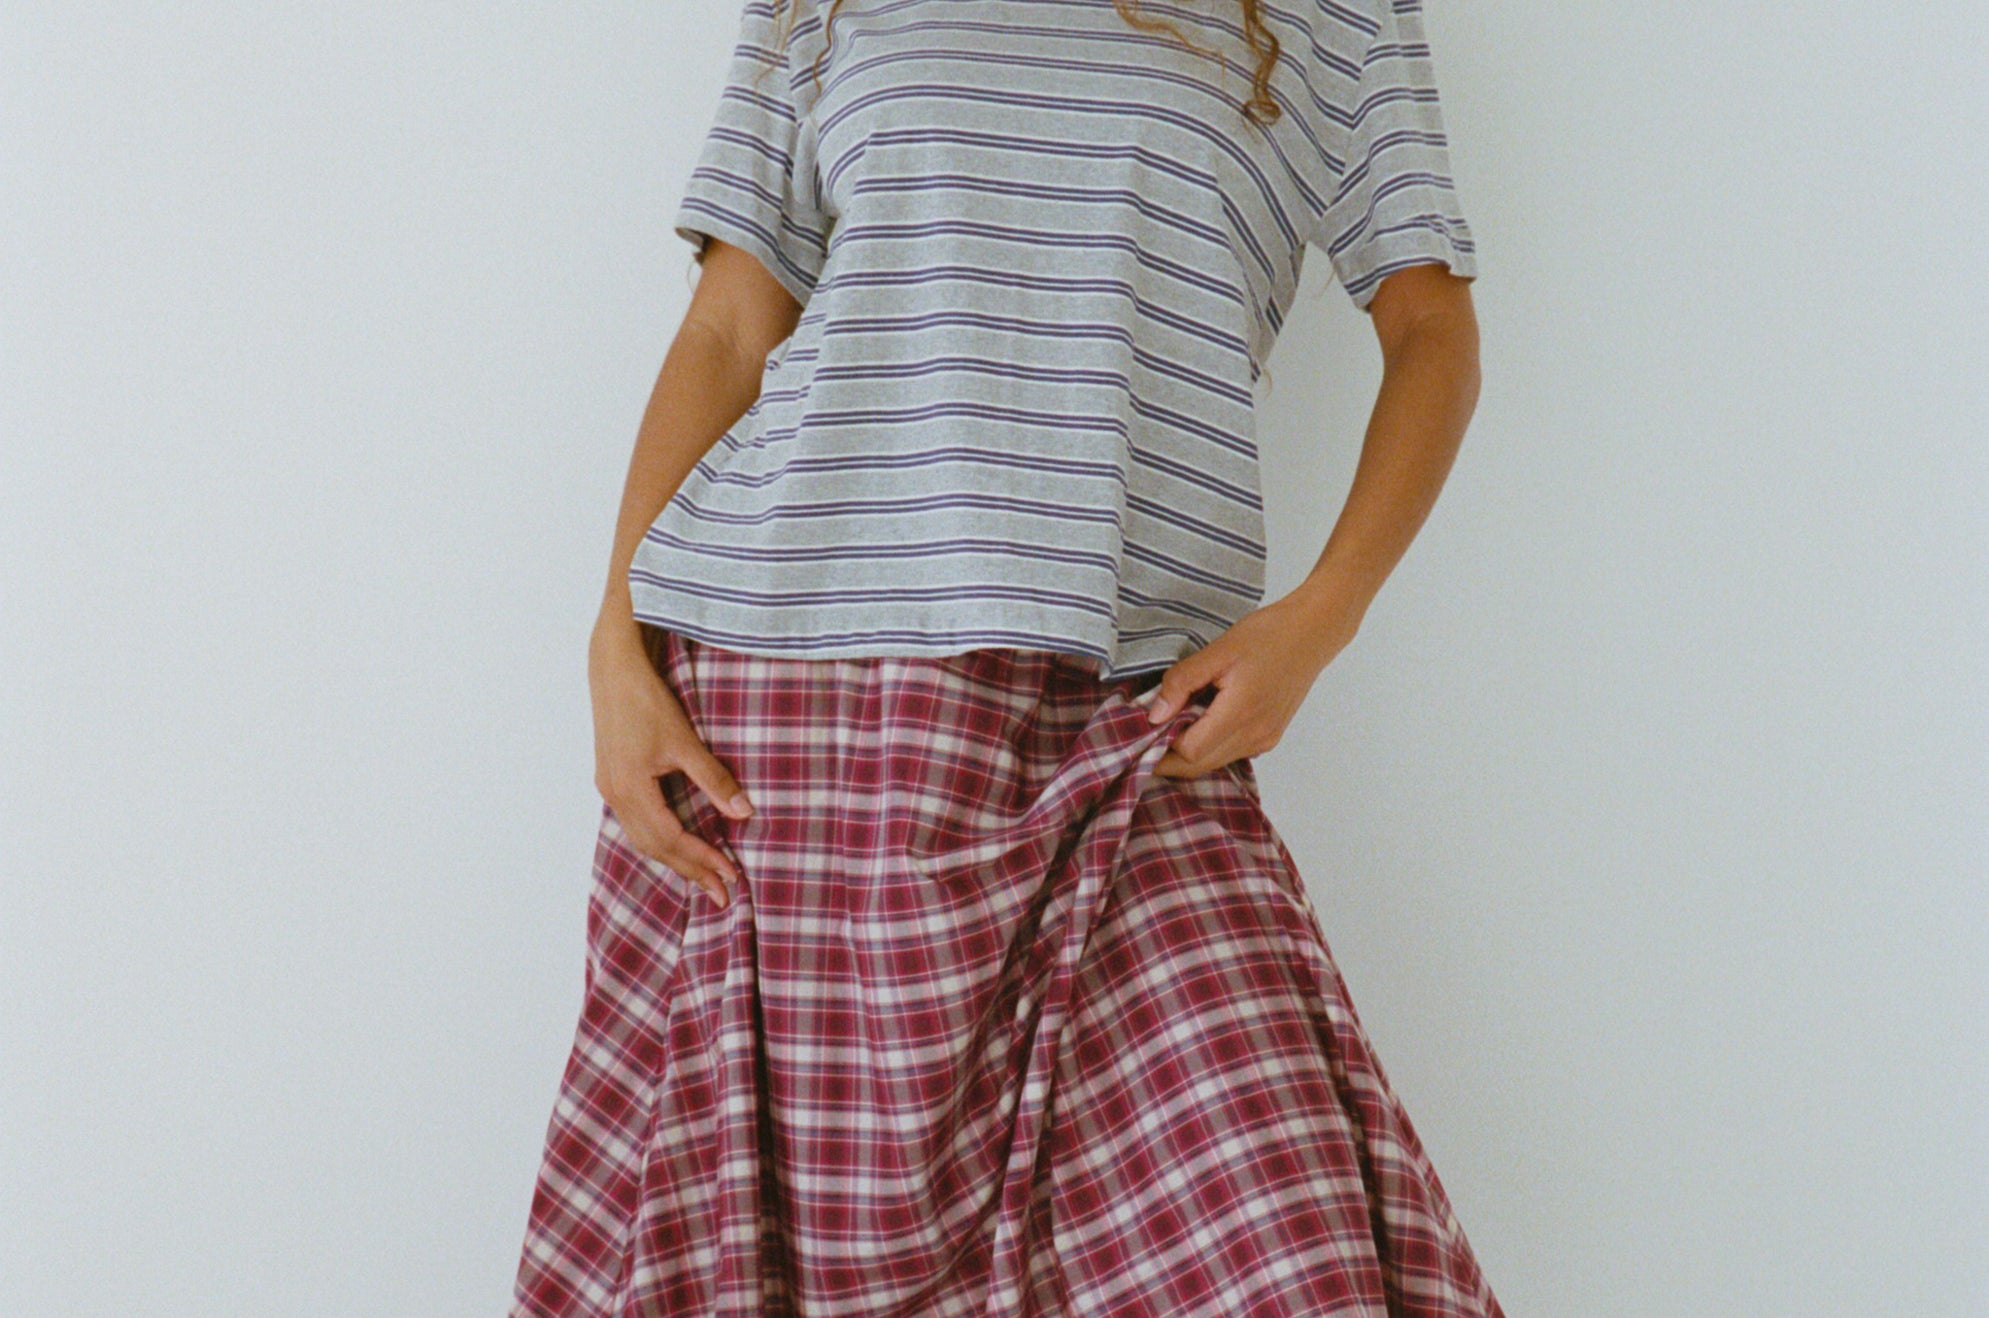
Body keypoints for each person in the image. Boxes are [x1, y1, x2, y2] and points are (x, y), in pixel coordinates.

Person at [510, 0, 1503, 1312]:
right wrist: (614, 643)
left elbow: (1431, 331)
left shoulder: (1332, 16)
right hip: (775, 709)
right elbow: (729, 326)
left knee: (1286, 1253)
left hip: (1118, 716)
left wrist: (1320, 616)